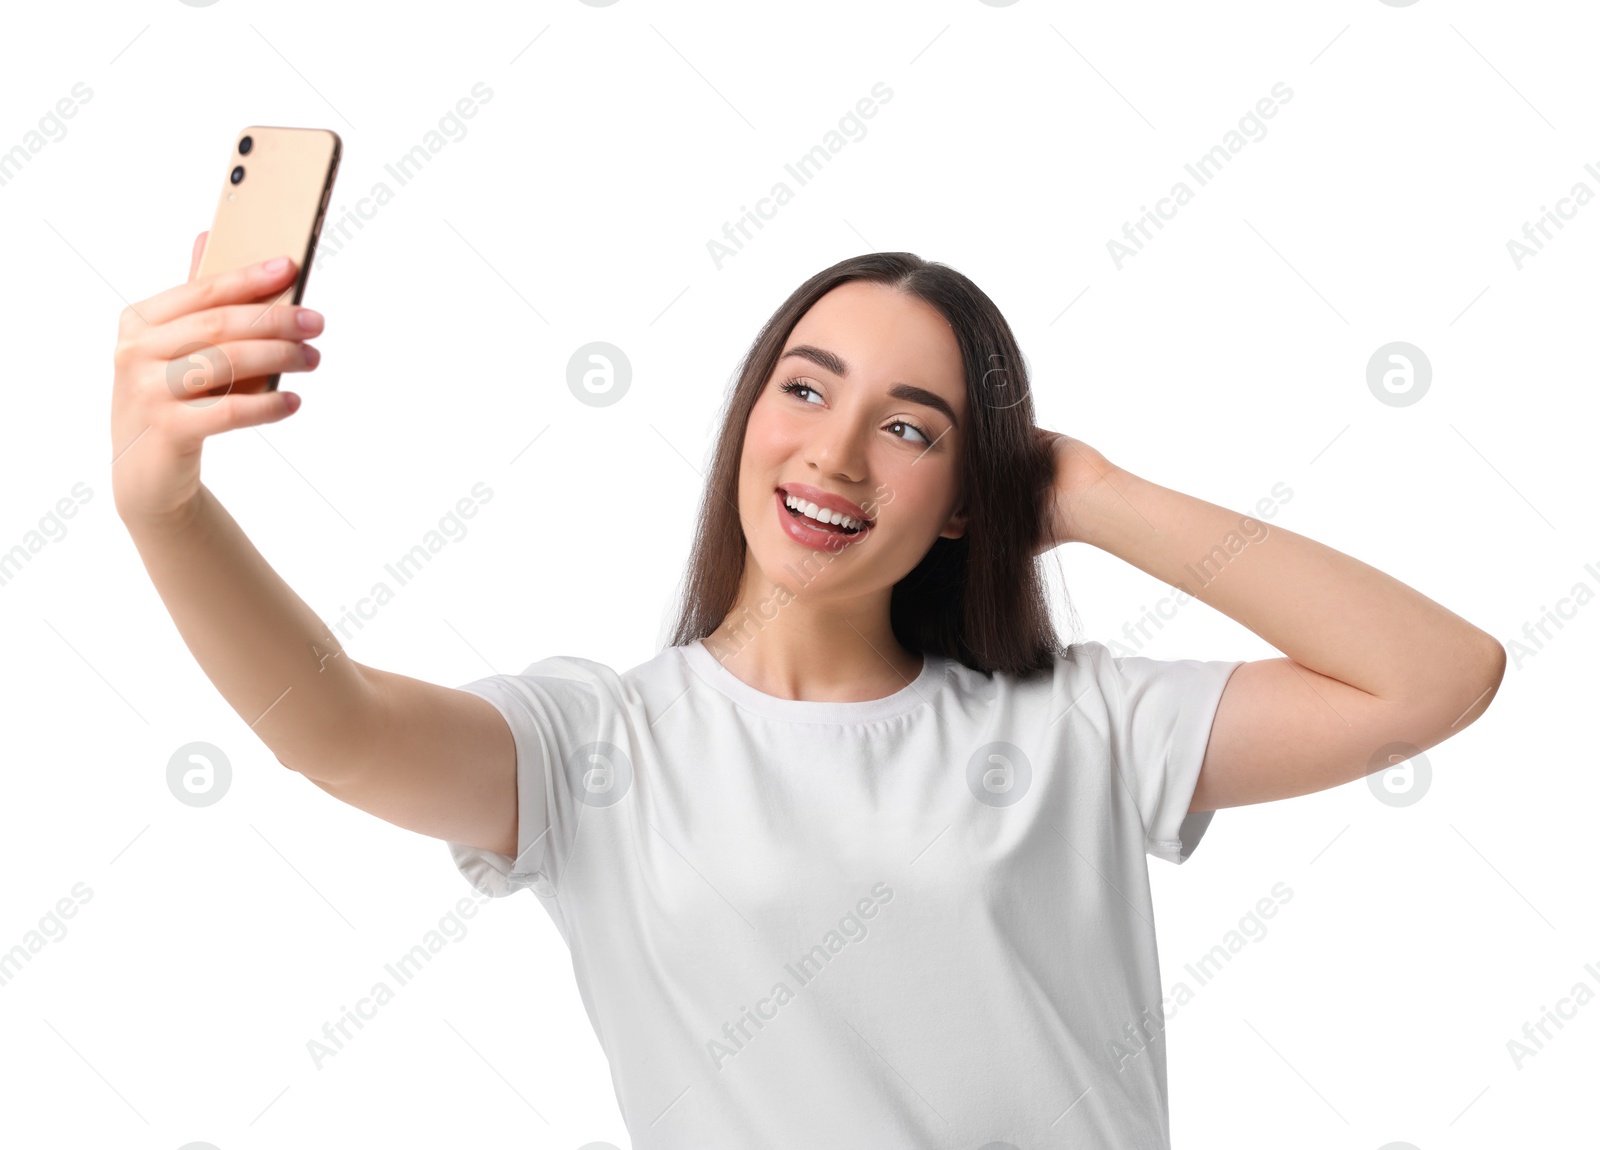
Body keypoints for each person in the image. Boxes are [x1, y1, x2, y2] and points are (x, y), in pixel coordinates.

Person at [112, 241, 1506, 1148]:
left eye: (912, 428)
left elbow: (1435, 678)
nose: (835, 454)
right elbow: (334, 726)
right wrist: (163, 507)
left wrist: (1092, 495)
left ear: (967, 497)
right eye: (805, 388)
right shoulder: (602, 745)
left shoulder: (1079, 724)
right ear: (746, 418)